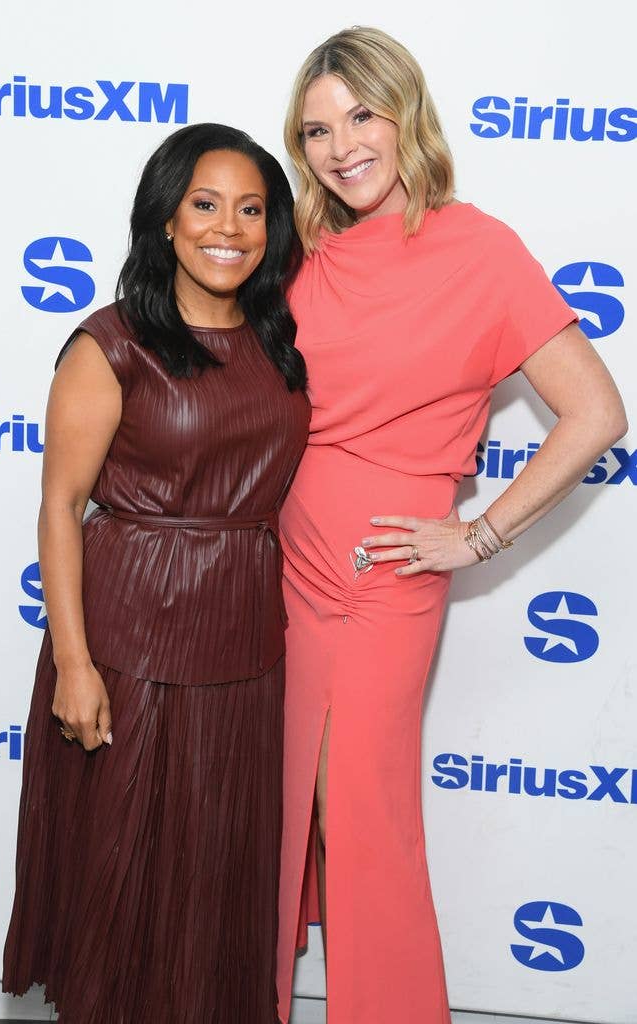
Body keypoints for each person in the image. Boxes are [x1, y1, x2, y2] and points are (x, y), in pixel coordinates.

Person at [275, 26, 627, 1024]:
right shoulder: (304, 253)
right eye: (316, 130)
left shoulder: (480, 250)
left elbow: (598, 412)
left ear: (406, 113)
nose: (342, 146)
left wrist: (475, 535)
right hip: (277, 570)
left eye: (361, 116)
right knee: (277, 814)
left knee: (361, 819)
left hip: (379, 577)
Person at [2, 123, 309, 1024]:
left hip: (245, 641)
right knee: (120, 874)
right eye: (204, 205)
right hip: (128, 638)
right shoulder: (112, 343)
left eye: (251, 209)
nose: (230, 228)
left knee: (217, 876)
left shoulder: (279, 343)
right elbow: (63, 505)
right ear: (165, 222)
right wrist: (74, 664)